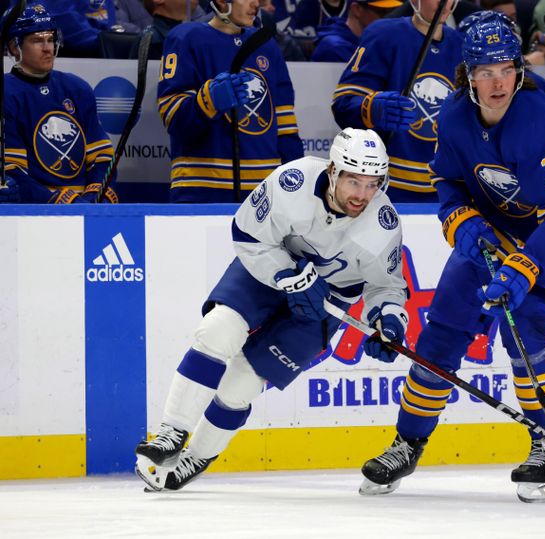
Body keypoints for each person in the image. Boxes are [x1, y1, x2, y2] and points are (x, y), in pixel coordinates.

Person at [359, 16, 545, 503]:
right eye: (484, 71)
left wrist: (524, 268)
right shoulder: (452, 117)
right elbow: (447, 182)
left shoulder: (541, 122)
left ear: (518, 69)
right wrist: (460, 221)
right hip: (491, 235)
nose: (497, 82)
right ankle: (407, 442)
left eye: (506, 69)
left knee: (525, 322)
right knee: (442, 329)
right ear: (468, 73)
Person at [134, 128, 409, 491]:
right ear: (332, 171)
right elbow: (248, 235)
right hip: (270, 269)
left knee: (241, 386)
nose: (362, 194)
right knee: (218, 330)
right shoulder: (292, 182)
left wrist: (388, 320)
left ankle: (196, 456)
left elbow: (386, 285)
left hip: (325, 302)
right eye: (354, 181)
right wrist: (289, 276)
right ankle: (171, 431)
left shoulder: (383, 223)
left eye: (373, 183)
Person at [157, 0, 303, 202]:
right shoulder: (186, 38)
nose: (256, 4)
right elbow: (173, 118)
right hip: (202, 190)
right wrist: (209, 101)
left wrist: (297, 187)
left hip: (265, 193)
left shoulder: (266, 46)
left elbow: (285, 129)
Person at [331, 0, 463, 203]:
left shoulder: (462, 46)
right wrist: (371, 108)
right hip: (386, 186)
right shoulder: (384, 35)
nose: (445, 3)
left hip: (445, 190)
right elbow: (343, 102)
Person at [0, 4, 117, 204]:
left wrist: (97, 193)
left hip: (84, 206)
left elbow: (101, 157)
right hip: (37, 214)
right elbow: (13, 172)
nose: (47, 48)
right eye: (37, 41)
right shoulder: (6, 92)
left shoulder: (77, 88)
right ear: (14, 47)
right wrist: (56, 200)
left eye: (50, 39)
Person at [311, 0, 401, 63]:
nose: (388, 18)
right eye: (382, 12)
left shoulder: (371, 41)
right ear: (357, 9)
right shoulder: (336, 47)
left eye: (391, 12)